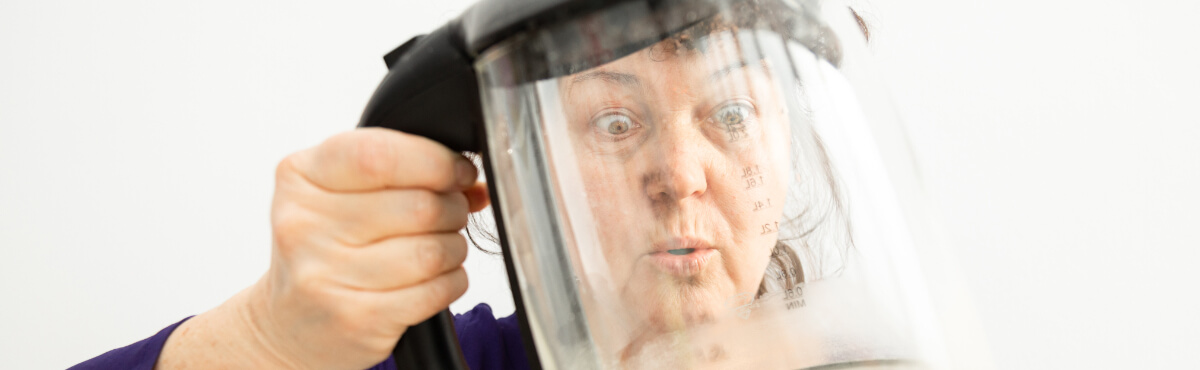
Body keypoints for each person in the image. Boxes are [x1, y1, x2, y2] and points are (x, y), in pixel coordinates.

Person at [73, 4, 868, 370]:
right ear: (516, 171)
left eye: (730, 111)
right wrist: (261, 341)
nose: (682, 176)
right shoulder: (440, 365)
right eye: (616, 123)